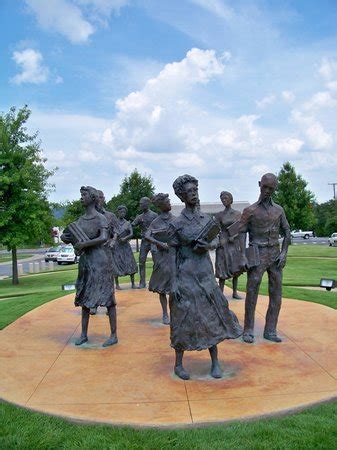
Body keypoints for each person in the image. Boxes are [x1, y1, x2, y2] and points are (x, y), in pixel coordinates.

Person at [169, 174, 242, 380]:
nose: (194, 194)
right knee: (182, 317)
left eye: (195, 190)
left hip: (205, 274)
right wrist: (173, 282)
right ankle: (178, 363)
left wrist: (208, 245)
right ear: (182, 196)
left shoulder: (207, 220)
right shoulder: (177, 223)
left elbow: (219, 240)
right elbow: (172, 254)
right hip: (185, 274)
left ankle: (215, 362)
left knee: (211, 316)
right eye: (189, 192)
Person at [61, 186, 118, 347]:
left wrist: (84, 243)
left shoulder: (100, 218)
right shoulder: (79, 221)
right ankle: (84, 334)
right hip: (86, 262)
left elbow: (104, 237)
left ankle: (114, 335)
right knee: (84, 297)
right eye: (81, 195)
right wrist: (65, 238)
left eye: (84, 195)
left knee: (107, 297)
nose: (81, 198)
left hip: (100, 262)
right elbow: (73, 238)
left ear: (92, 198)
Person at [238, 173, 291, 344]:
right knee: (252, 292)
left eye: (271, 188)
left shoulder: (279, 210)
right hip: (257, 253)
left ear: (275, 188)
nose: (267, 191)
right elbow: (241, 234)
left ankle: (270, 330)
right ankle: (248, 329)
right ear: (259, 184)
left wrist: (284, 253)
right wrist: (242, 256)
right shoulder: (250, 211)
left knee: (276, 294)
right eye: (265, 187)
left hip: (275, 255)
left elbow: (287, 231)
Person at [144, 193, 175, 325]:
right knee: (162, 287)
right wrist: (159, 243)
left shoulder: (175, 219)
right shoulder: (156, 222)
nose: (170, 203)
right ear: (160, 205)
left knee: (175, 287)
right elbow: (147, 235)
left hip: (174, 256)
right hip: (162, 258)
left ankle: (175, 312)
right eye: (167, 201)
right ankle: (165, 313)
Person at [214, 191, 246, 299]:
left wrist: (235, 236)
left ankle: (235, 292)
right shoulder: (219, 215)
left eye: (226, 198)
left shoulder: (237, 214)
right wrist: (219, 240)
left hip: (233, 243)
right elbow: (215, 230)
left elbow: (240, 229)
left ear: (231, 199)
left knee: (235, 267)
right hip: (223, 243)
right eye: (222, 199)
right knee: (222, 266)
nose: (224, 200)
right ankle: (221, 293)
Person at [132, 197, 157, 288]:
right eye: (140, 204)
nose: (140, 205)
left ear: (147, 204)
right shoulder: (139, 217)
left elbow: (159, 227)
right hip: (144, 242)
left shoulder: (154, 215)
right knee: (141, 261)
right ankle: (142, 282)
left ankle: (156, 282)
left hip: (153, 241)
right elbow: (132, 225)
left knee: (156, 261)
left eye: (142, 203)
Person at [112, 205, 138, 289]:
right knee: (117, 263)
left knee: (130, 262)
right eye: (120, 212)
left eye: (124, 212)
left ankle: (133, 283)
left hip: (126, 245)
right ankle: (117, 284)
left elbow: (131, 233)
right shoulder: (114, 222)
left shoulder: (127, 223)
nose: (122, 213)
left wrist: (125, 238)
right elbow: (113, 233)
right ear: (118, 212)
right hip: (117, 246)